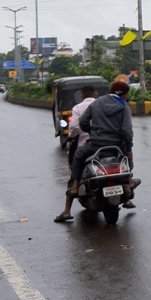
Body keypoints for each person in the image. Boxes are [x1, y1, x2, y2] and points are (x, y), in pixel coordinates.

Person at [59, 81, 140, 222]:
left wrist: (93, 131)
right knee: (127, 158)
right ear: (124, 94)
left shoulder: (97, 103)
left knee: (78, 157)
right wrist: (128, 148)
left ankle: (75, 185)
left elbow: (83, 122)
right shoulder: (123, 106)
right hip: (116, 146)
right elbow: (127, 131)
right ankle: (129, 181)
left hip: (95, 145)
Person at [54, 85, 98, 223]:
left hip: (86, 144)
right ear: (95, 94)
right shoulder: (102, 105)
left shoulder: (78, 108)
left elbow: (74, 128)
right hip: (107, 143)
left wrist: (71, 136)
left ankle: (67, 209)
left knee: (75, 167)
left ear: (82, 95)